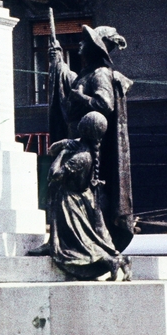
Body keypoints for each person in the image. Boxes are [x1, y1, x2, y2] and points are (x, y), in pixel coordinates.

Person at [45, 25, 135, 250]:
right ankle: (59, 241)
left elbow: (105, 104)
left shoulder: (100, 74)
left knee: (71, 192)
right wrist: (58, 63)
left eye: (85, 42)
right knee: (60, 191)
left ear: (96, 48)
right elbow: (70, 80)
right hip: (76, 140)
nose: (80, 45)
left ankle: (84, 243)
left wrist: (81, 98)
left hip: (87, 143)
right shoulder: (87, 74)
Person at [44, 112, 131, 281]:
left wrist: (62, 154)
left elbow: (53, 175)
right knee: (83, 241)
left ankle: (111, 261)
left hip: (71, 203)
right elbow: (51, 149)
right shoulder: (81, 147)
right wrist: (63, 143)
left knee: (80, 245)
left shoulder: (81, 157)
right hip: (79, 200)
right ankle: (121, 262)